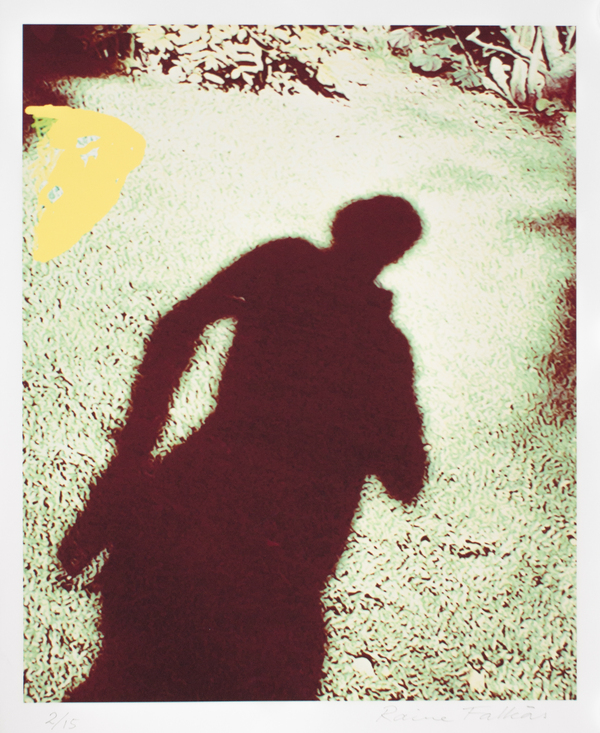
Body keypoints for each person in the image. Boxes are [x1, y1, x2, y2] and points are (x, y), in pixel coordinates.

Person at [58, 195, 427, 701]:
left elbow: (178, 327)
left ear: (339, 225)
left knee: (129, 676)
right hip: (293, 537)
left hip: (203, 488)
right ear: (396, 254)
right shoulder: (384, 348)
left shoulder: (284, 264)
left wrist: (133, 454)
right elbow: (406, 479)